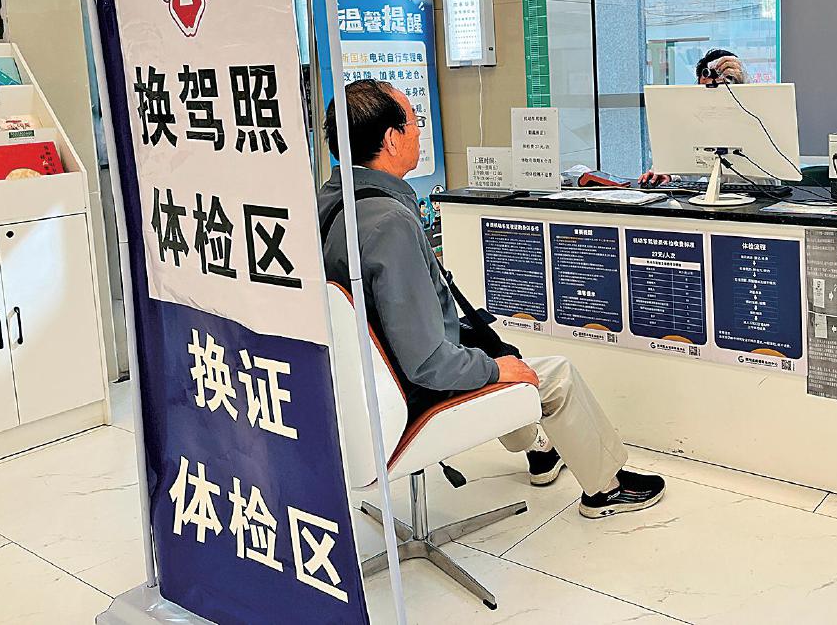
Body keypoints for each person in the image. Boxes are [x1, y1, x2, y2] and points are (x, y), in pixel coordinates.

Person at [318, 79, 665, 518]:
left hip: (369, 384)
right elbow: (429, 362)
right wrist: (496, 369)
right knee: (554, 376)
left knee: (492, 349)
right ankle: (606, 490)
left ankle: (540, 450)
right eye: (414, 122)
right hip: (414, 391)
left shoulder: (330, 202)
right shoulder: (390, 223)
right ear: (391, 139)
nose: (419, 131)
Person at [639, 48, 746, 187]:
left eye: (721, 87)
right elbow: (685, 159)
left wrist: (742, 91)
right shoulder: (697, 122)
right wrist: (667, 173)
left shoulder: (754, 119)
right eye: (707, 89)